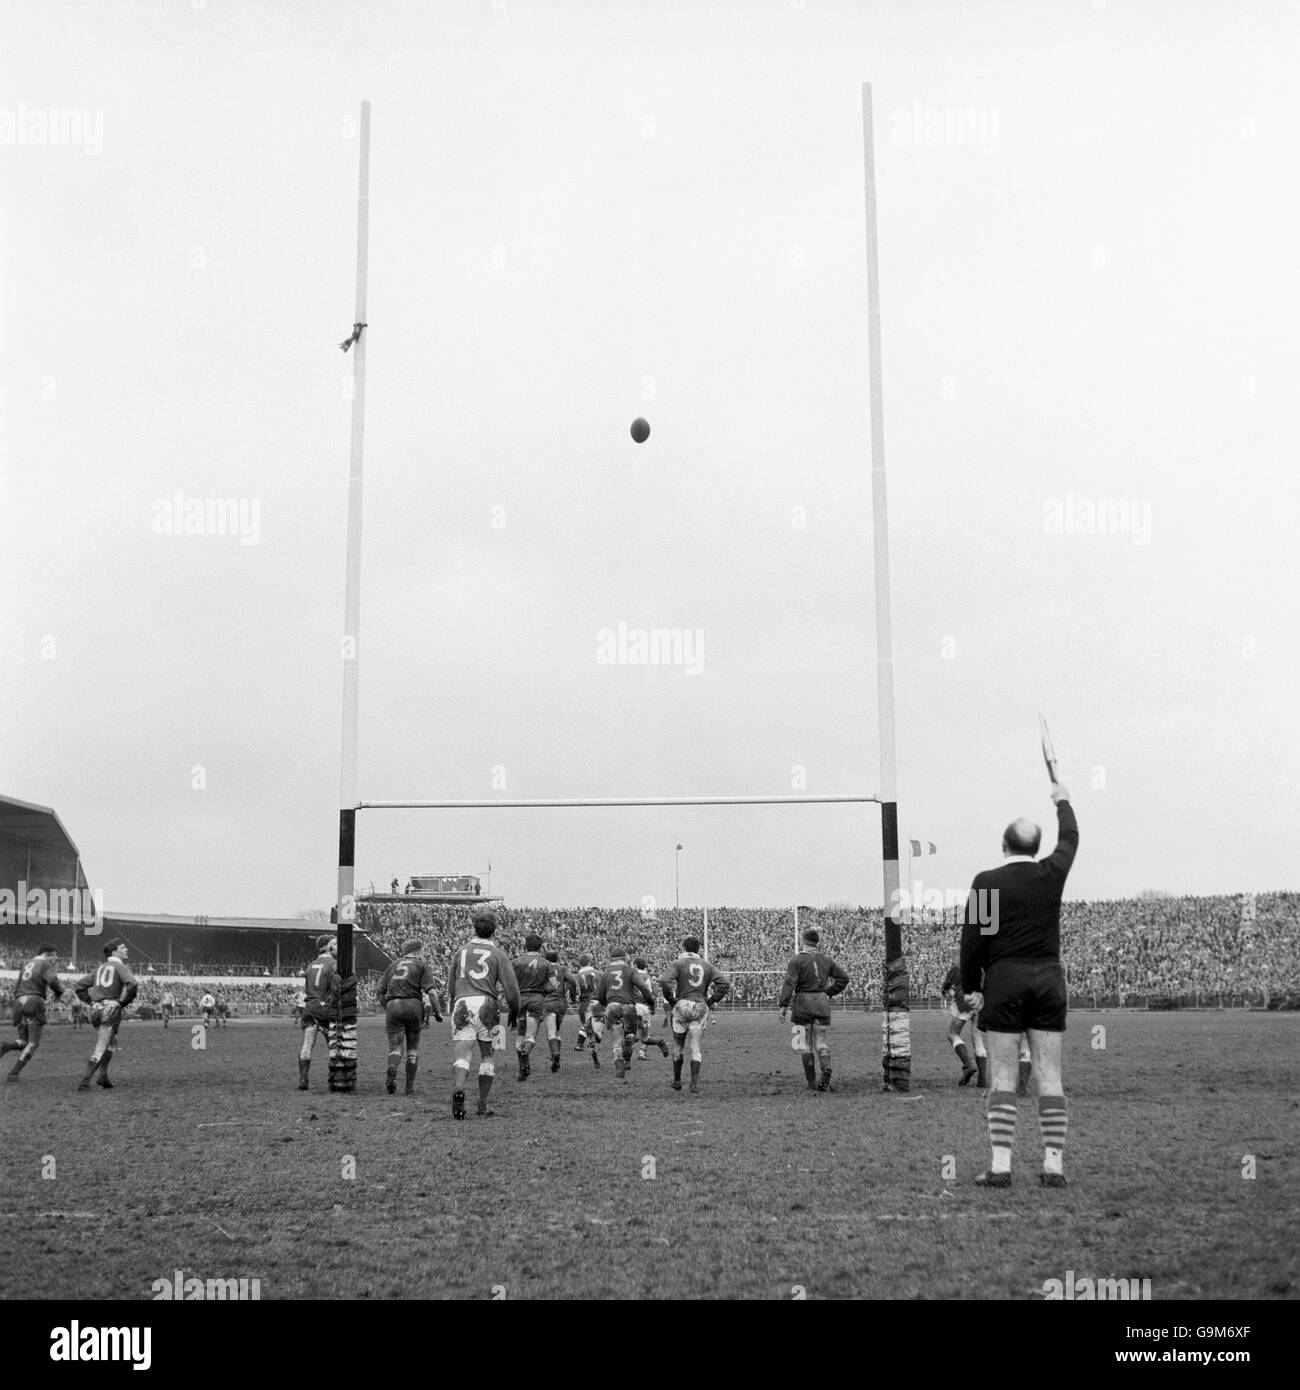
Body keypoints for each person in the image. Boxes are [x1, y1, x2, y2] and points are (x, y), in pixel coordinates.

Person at [961, 781, 1079, 1189]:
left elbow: (975, 937)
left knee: (1003, 1077)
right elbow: (1071, 837)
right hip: (1047, 978)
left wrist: (971, 984)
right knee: (1050, 1076)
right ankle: (1053, 1166)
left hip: (1005, 979)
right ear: (1037, 846)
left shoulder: (987, 881)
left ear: (1003, 845)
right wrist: (1062, 798)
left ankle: (1000, 1166)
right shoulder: (1052, 873)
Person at [447, 902, 520, 1118]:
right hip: (487, 1005)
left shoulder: (460, 952)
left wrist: (454, 1002)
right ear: (494, 930)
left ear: (474, 928)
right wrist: (514, 1013)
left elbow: (451, 986)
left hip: (462, 1002)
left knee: (463, 1053)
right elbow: (511, 990)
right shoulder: (498, 953)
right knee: (488, 1055)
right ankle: (482, 1103)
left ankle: (459, 1088)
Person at [778, 929, 849, 1092]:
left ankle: (811, 1083)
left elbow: (790, 983)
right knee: (821, 1042)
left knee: (804, 1045)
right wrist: (828, 992)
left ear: (803, 940)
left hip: (802, 1003)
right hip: (821, 1003)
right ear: (817, 942)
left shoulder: (796, 960)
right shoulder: (827, 959)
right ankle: (826, 1068)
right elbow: (844, 978)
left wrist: (783, 1005)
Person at [659, 937, 730, 1093]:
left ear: (683, 948)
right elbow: (724, 983)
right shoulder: (707, 965)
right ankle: (694, 1084)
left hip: (682, 1005)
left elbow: (664, 980)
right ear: (698, 950)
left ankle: (677, 1081)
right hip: (699, 1006)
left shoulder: (678, 963)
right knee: (695, 1047)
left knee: (678, 1045)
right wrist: (710, 1001)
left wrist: (671, 1000)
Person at [377, 938, 442, 1095]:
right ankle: (409, 1087)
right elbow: (432, 992)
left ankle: (392, 1067)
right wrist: (438, 1012)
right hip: (413, 1006)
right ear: (418, 951)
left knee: (396, 1048)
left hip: (393, 1005)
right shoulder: (421, 965)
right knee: (412, 1049)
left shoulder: (392, 965)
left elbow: (379, 992)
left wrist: (388, 1008)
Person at [74, 939, 138, 1090]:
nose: (126, 949)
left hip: (96, 1010)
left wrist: (90, 1001)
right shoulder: (120, 966)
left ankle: (103, 1077)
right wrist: (122, 1003)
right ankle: (85, 1080)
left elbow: (79, 987)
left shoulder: (100, 969)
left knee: (112, 1043)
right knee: (102, 1046)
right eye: (123, 947)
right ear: (114, 951)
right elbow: (133, 984)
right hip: (110, 1010)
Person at [0, 944, 64, 1080]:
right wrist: (58, 992)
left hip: (18, 1002)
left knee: (23, 1040)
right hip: (34, 1000)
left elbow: (16, 989)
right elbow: (52, 980)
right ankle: (13, 1073)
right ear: (49, 954)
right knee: (33, 1042)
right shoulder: (46, 963)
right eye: (55, 955)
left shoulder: (26, 965)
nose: (56, 958)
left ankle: (6, 1046)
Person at [597, 949, 654, 1080]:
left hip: (613, 1006)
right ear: (625, 958)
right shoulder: (630, 970)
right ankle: (627, 1061)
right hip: (629, 1007)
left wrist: (607, 1004)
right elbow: (643, 987)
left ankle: (619, 1066)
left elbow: (600, 995)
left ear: (611, 958)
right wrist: (650, 1001)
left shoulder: (605, 973)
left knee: (616, 1041)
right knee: (630, 1035)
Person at [298, 935, 339, 1091]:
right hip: (325, 1010)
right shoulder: (334, 964)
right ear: (328, 947)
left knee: (307, 1045)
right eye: (334, 944)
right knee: (334, 1046)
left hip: (309, 1008)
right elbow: (336, 990)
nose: (337, 947)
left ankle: (303, 1079)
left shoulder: (310, 965)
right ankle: (334, 1079)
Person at [510, 932, 553, 1081]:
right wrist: (544, 990)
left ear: (525, 946)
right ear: (541, 948)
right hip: (536, 999)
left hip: (520, 999)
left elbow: (510, 983)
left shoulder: (516, 962)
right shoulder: (546, 964)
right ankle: (526, 1053)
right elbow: (554, 984)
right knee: (531, 1036)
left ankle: (523, 1067)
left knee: (521, 1034)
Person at [541, 949, 578, 1072]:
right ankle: (557, 1055)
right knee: (557, 1031)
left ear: (546, 958)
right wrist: (572, 996)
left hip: (548, 1002)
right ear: (557, 958)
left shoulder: (543, 968)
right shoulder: (563, 969)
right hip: (561, 1003)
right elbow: (572, 981)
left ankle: (555, 1054)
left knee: (551, 1032)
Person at [633, 956, 670, 1061]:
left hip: (634, 1006)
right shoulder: (649, 978)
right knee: (644, 1036)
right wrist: (652, 1007)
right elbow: (653, 993)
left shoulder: (632, 975)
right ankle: (643, 1052)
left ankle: (623, 1056)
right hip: (645, 1007)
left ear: (635, 965)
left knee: (630, 1033)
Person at [573, 954, 602, 1063]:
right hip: (597, 1003)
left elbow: (575, 992)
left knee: (587, 1026)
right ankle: (596, 1037)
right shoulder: (599, 973)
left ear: (579, 963)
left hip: (584, 1004)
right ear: (590, 962)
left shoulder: (577, 976)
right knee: (597, 1030)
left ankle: (581, 1045)